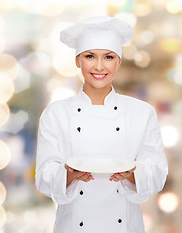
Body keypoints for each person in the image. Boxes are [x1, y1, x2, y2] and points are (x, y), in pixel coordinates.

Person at [35, 16, 168, 233]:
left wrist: (132, 174)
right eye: (90, 56)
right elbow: (43, 177)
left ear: (119, 62)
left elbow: (157, 174)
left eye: (108, 57)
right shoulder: (55, 114)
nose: (99, 66)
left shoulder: (142, 113)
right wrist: (70, 175)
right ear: (77, 60)